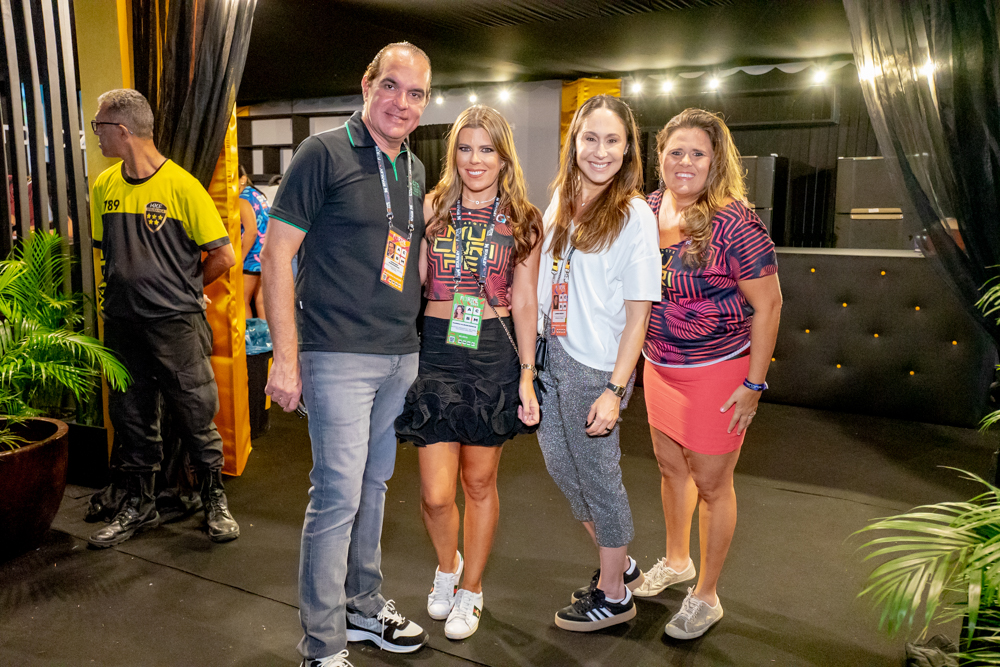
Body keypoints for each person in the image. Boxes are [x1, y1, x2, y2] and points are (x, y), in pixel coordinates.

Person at [261, 42, 432, 667]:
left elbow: (405, 260)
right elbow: (276, 257)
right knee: (336, 496)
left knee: (374, 487)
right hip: (336, 355)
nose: (402, 103)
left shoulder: (413, 170)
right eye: (392, 87)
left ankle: (364, 605)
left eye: (416, 94)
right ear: (367, 85)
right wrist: (286, 357)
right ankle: (323, 644)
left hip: (397, 355)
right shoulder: (322, 153)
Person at [394, 105, 542, 640]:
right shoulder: (431, 207)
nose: (474, 159)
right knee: (436, 493)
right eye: (464, 147)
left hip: (491, 357)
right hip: (435, 352)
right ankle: (447, 567)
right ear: (452, 153)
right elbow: (409, 282)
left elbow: (525, 301)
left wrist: (527, 373)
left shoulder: (523, 217)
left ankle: (472, 589)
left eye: (486, 149)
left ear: (504, 157)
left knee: (478, 482)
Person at [634, 108, 781, 640]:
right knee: (670, 470)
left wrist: (754, 384)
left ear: (715, 160)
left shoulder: (735, 222)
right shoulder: (646, 209)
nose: (685, 162)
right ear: (661, 157)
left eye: (697, 152)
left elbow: (770, 306)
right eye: (675, 151)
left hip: (718, 372)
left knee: (713, 485)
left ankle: (707, 596)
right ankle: (678, 562)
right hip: (660, 366)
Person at [85, 88, 240, 548]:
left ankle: (214, 499)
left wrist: (188, 289)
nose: (96, 135)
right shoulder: (104, 187)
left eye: (99, 127)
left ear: (122, 130)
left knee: (195, 411)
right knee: (131, 417)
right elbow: (106, 256)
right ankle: (139, 504)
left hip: (176, 325)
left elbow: (224, 254)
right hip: (123, 325)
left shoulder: (182, 187)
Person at [534, 95, 661, 632]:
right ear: (574, 141)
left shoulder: (632, 214)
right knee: (566, 473)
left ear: (629, 147)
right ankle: (622, 563)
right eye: (591, 138)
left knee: (600, 479)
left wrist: (615, 388)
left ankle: (614, 596)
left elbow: (639, 316)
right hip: (550, 359)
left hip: (596, 368)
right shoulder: (561, 199)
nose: (600, 151)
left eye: (613, 140)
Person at [239, 165, 269, 320]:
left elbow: (251, 231)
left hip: (251, 258)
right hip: (264, 255)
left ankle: (250, 342)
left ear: (242, 179)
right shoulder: (257, 194)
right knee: (261, 301)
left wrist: (239, 258)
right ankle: (266, 341)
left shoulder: (242, 199)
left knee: (242, 300)